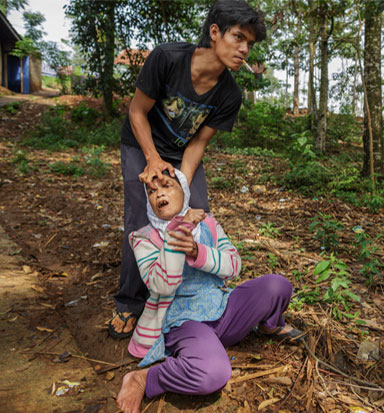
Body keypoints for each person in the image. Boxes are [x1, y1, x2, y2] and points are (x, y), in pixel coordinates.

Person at [110, 0, 267, 339]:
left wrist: (181, 181)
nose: (244, 49)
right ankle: (131, 301)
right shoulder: (168, 58)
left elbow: (197, 144)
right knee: (141, 216)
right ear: (214, 32)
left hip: (181, 152)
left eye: (250, 44)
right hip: (141, 142)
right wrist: (152, 161)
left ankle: (191, 297)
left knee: (198, 216)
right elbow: (137, 112)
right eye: (238, 37)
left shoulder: (230, 94)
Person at [116, 170, 305, 413]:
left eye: (167, 186)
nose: (159, 193)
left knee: (277, 286)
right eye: (151, 191)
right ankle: (144, 378)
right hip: (185, 322)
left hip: (224, 308)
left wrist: (198, 252)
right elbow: (163, 285)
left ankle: (269, 324)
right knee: (212, 374)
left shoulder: (208, 224)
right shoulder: (144, 238)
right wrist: (178, 231)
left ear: (184, 192)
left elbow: (233, 265)